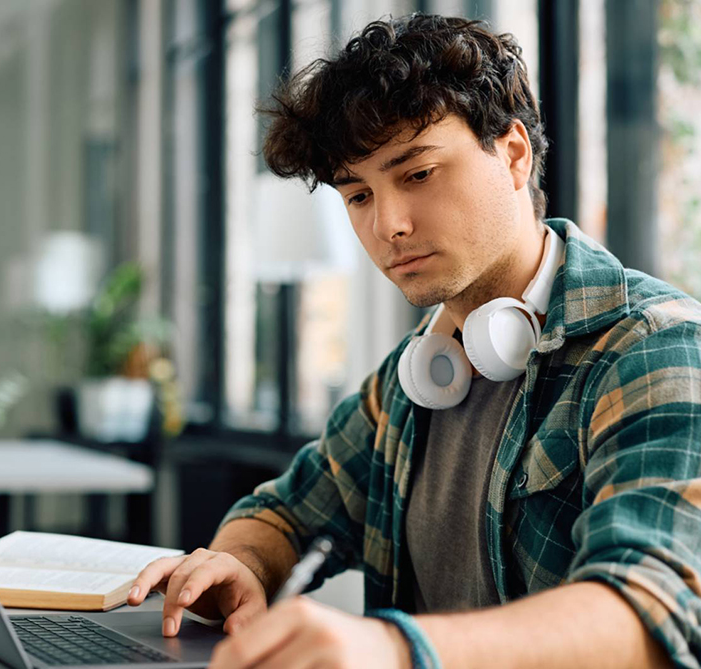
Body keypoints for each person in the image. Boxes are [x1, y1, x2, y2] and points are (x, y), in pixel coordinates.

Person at [127, 14, 701, 669]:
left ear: (514, 153)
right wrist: (241, 563)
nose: (388, 224)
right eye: (359, 195)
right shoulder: (415, 377)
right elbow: (283, 510)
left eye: (418, 174)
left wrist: (397, 647)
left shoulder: (655, 349)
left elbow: (650, 615)